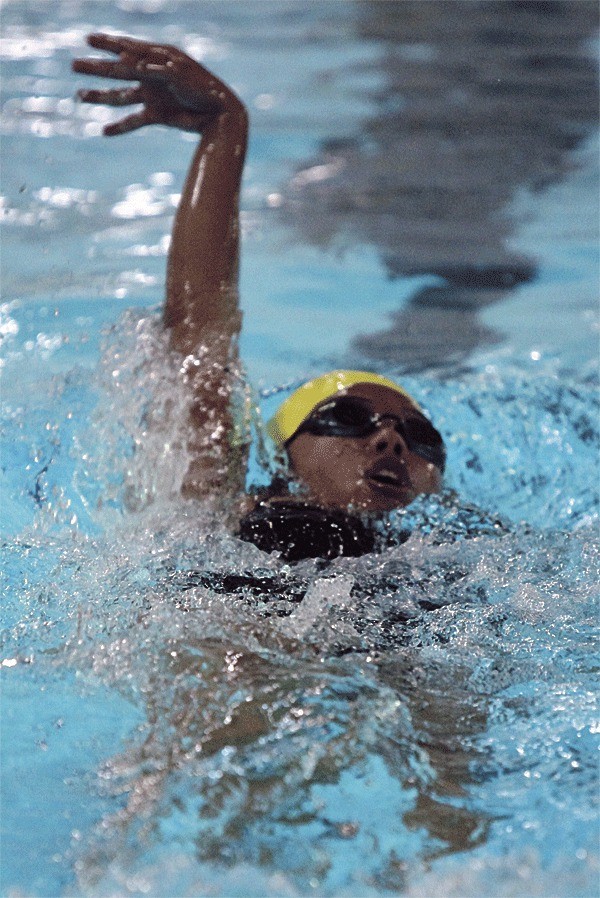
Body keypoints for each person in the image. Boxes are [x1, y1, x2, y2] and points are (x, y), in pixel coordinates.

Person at [73, 33, 446, 561]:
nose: (391, 443)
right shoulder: (221, 516)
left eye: (419, 435)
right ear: (282, 461)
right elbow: (198, 335)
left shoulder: (459, 556)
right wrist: (225, 129)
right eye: (346, 418)